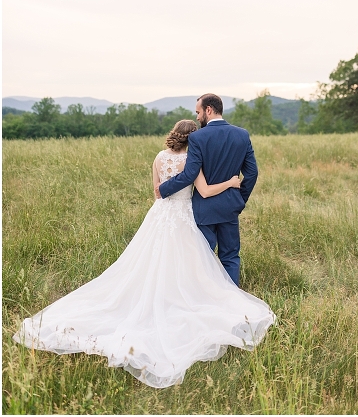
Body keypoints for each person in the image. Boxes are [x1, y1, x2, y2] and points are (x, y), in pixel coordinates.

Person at [14, 119, 275, 388]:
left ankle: (161, 294)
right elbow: (205, 190)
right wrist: (232, 182)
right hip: (184, 215)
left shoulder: (159, 157)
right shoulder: (192, 160)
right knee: (193, 263)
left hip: (160, 216)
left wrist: (166, 198)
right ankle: (191, 297)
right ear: (192, 139)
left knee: (149, 261)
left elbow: (156, 193)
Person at [156, 93, 257, 286]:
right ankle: (232, 299)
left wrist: (164, 189)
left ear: (208, 110)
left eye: (198, 112)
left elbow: (189, 174)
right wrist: (238, 199)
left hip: (205, 209)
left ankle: (206, 299)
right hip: (230, 207)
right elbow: (252, 174)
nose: (197, 117)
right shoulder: (242, 135)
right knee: (230, 256)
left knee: (204, 258)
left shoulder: (197, 138)